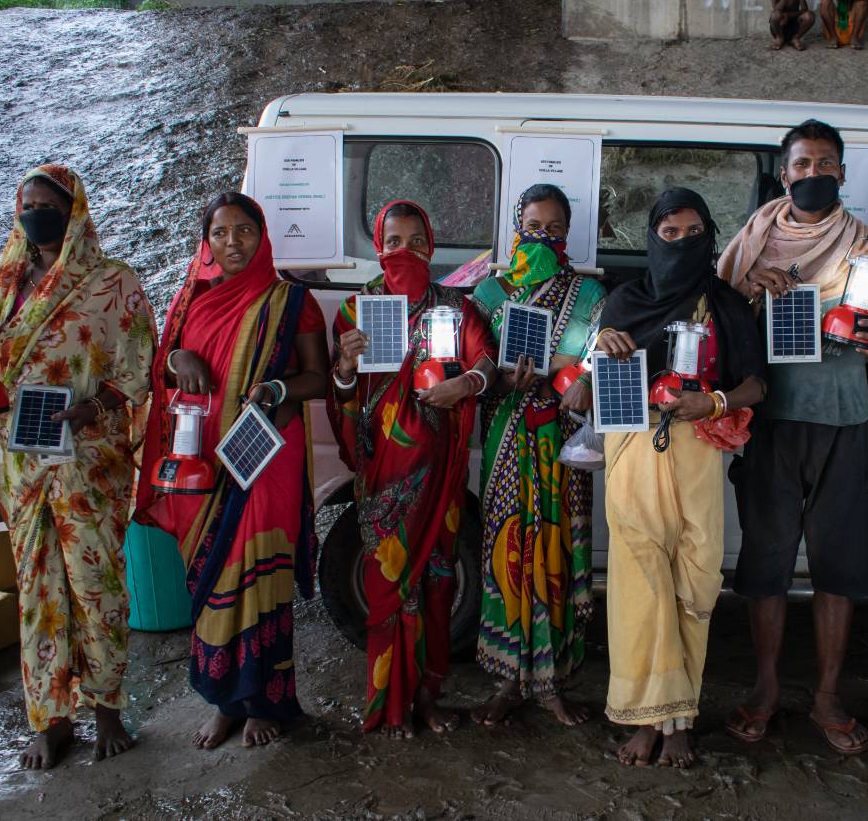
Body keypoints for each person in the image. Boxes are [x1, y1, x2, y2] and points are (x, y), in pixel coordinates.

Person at [0, 165, 155, 769]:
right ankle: (50, 717)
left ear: (74, 210)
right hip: (20, 457)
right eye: (26, 205)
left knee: (95, 585)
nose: (34, 214)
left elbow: (136, 371)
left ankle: (107, 708)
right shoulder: (5, 285)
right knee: (37, 588)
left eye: (47, 204)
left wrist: (89, 409)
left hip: (87, 456)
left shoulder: (113, 282)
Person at [717, 119, 868, 756]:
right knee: (766, 562)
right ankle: (765, 688)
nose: (813, 174)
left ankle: (826, 695)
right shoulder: (753, 239)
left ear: (843, 172)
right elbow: (712, 311)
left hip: (842, 418)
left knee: (839, 564)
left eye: (825, 164)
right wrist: (747, 293)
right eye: (801, 164)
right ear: (784, 171)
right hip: (770, 418)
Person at [135, 192, 329, 750]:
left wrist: (277, 388)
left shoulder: (292, 301)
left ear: (262, 234)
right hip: (203, 462)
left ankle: (265, 701)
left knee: (259, 575)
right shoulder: (191, 299)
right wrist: (179, 359)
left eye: (244, 231)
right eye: (220, 233)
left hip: (266, 455)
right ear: (207, 241)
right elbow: (162, 367)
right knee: (210, 573)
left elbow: (316, 378)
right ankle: (223, 701)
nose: (232, 243)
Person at [597, 187, 765, 768]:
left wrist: (714, 403)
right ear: (651, 238)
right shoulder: (623, 303)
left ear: (710, 237)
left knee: (695, 582)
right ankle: (651, 719)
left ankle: (680, 717)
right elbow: (588, 381)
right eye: (670, 234)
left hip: (698, 452)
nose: (681, 243)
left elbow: (756, 385)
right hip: (634, 449)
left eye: (694, 234)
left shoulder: (726, 306)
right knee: (641, 584)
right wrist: (602, 346)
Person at [328, 200, 497, 738]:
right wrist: (347, 367)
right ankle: (388, 701)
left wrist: (467, 384)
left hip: (441, 476)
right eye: (393, 241)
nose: (405, 251)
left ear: (431, 243)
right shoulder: (357, 310)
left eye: (415, 240)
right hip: (384, 479)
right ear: (379, 247)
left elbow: (486, 361)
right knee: (389, 587)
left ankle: (426, 697)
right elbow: (346, 399)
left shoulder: (456, 306)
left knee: (438, 582)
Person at [469, 184, 605, 728]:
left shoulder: (590, 295)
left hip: (562, 441)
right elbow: (470, 364)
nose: (542, 235)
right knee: (509, 550)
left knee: (554, 547)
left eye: (553, 228)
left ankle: (551, 683)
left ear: (567, 233)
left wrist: (582, 381)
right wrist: (500, 378)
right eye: (533, 225)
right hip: (506, 436)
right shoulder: (490, 293)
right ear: (515, 228)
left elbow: (598, 362)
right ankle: (507, 680)